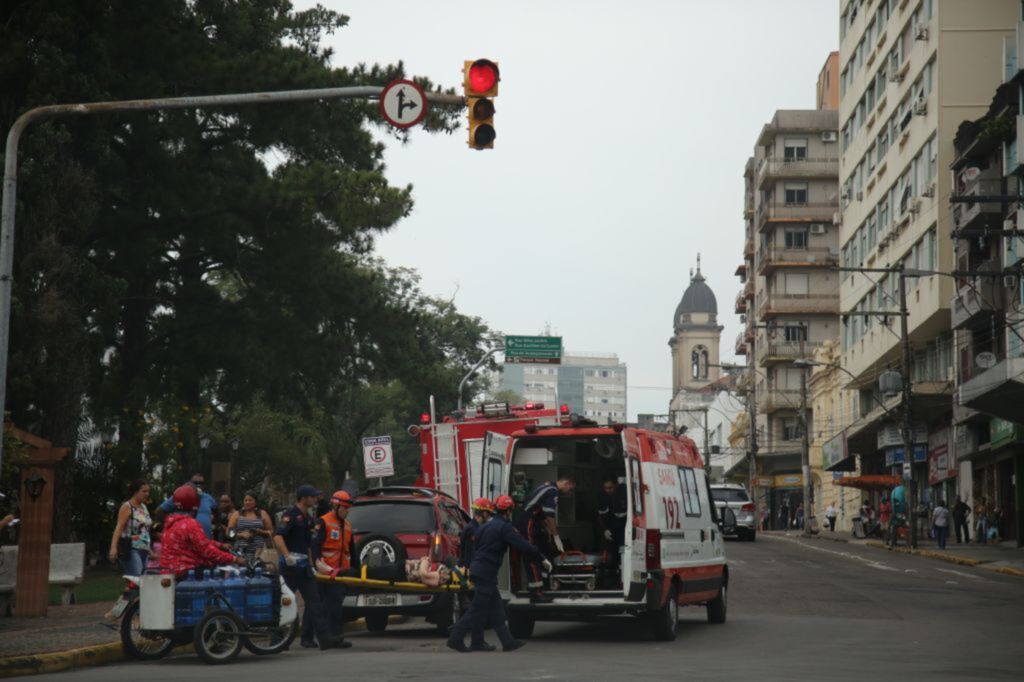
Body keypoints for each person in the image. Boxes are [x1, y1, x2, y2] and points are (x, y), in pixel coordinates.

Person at [447, 495, 551, 653]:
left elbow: (477, 548)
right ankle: (455, 638)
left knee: (496, 609)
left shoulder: (484, 527)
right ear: (509, 511)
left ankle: (507, 642)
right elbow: (522, 545)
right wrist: (541, 558)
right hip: (486, 573)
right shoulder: (504, 527)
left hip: (479, 570)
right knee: (477, 609)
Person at [273, 484, 345, 651]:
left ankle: (324, 638)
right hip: (290, 567)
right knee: (285, 602)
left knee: (315, 602)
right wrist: (287, 556)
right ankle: (276, 639)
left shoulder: (308, 518)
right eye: (312, 496)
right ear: (304, 498)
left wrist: (314, 564)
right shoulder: (290, 515)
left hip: (304, 567)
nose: (315, 499)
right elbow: (278, 537)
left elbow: (309, 544)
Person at [159, 484, 245, 576]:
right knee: (227, 573)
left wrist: (220, 545)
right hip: (186, 572)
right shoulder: (190, 524)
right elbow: (207, 551)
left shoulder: (170, 522)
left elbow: (200, 541)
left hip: (170, 570)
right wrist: (235, 559)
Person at [516, 478, 574, 602]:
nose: (569, 491)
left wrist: (546, 531)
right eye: (570, 488)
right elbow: (550, 516)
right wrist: (556, 536)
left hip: (531, 522)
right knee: (532, 555)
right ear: (566, 483)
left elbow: (541, 512)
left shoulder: (545, 485)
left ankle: (542, 587)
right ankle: (536, 594)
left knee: (540, 553)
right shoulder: (553, 491)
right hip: (529, 523)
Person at [310, 490, 356, 647]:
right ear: (336, 507)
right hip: (325, 572)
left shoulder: (348, 526)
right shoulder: (323, 522)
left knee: (335, 606)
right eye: (345, 508)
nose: (347, 511)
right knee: (319, 605)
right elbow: (315, 546)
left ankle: (335, 637)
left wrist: (356, 571)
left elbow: (352, 550)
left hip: (340, 573)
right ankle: (311, 638)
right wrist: (317, 564)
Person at [105, 479, 153, 620]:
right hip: (131, 549)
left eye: (148, 491)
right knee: (139, 583)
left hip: (144, 550)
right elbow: (119, 528)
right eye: (144, 491)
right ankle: (137, 616)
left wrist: (150, 551)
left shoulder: (144, 507)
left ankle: (115, 612)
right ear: (135, 491)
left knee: (135, 585)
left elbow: (145, 530)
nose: (147, 494)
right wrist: (113, 547)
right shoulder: (127, 507)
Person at [157, 473, 217, 538]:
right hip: (185, 540)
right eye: (195, 483)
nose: (198, 485)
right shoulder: (181, 495)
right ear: (190, 483)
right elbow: (159, 511)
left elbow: (217, 510)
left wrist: (217, 525)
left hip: (205, 539)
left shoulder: (208, 498)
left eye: (201, 483)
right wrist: (169, 525)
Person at [227, 492, 273, 561]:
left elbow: (271, 532)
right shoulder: (236, 514)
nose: (247, 502)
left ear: (255, 502)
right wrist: (240, 535)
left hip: (260, 553)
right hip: (241, 553)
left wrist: (259, 532)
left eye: (250, 500)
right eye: (245, 500)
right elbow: (228, 533)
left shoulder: (262, 514)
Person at [596, 478, 627, 572]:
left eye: (610, 487)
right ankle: (615, 569)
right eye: (606, 488)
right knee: (614, 549)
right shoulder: (603, 497)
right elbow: (601, 515)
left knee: (624, 549)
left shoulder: (625, 492)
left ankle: (622, 568)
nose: (608, 490)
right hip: (613, 525)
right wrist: (605, 529)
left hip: (626, 524)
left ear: (616, 485)